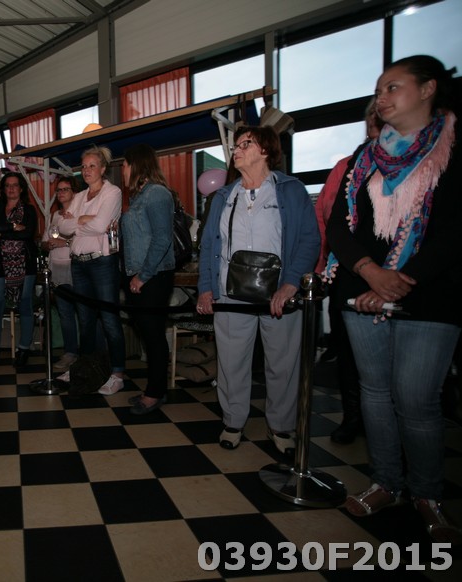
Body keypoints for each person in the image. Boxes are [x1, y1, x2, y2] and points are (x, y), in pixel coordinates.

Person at [326, 55, 461, 543]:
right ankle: (386, 482)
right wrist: (369, 273)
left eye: (392, 87)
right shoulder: (364, 159)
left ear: (427, 89)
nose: (381, 98)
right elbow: (340, 226)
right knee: (376, 394)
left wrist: (401, 279)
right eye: (379, 90)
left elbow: (453, 229)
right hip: (361, 291)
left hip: (428, 293)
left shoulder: (453, 150)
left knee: (417, 400)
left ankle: (427, 493)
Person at [196, 125, 319, 453]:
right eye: (236, 145)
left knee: (283, 363)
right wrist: (206, 288)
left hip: (279, 293)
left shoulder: (291, 191)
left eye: (245, 144)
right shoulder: (224, 196)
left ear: (265, 151)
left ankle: (281, 426)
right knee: (231, 361)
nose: (236, 150)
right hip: (230, 292)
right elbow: (208, 245)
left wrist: (291, 283)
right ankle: (233, 420)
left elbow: (309, 239)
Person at [315, 101, 383, 444]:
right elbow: (326, 219)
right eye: (370, 115)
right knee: (348, 355)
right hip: (348, 272)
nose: (374, 120)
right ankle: (353, 417)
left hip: (401, 275)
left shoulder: (427, 159)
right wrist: (320, 268)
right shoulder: (348, 166)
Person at [56, 145, 126, 395]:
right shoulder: (78, 197)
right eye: (83, 166)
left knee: (109, 319)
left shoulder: (112, 192)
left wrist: (77, 223)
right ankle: (82, 368)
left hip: (102, 262)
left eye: (92, 166)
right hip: (79, 262)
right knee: (85, 320)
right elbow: (62, 227)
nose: (86, 170)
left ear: (103, 169)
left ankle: (117, 373)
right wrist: (84, 220)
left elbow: (100, 225)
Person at [120, 144, 177, 414]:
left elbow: (162, 239)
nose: (122, 170)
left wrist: (142, 276)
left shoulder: (156, 194)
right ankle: (154, 389)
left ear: (136, 165)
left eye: (124, 164)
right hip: (140, 275)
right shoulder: (140, 196)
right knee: (149, 334)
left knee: (153, 336)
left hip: (153, 276)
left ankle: (155, 393)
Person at [0, 173, 39, 366]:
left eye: (15, 185)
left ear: (21, 188)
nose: (11, 188)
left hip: (25, 265)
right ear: (3, 189)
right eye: (7, 185)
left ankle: (24, 349)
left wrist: (2, 230)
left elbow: (27, 233)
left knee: (25, 307)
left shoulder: (29, 210)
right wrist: (13, 226)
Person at [41, 176, 79, 373]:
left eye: (66, 189)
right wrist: (48, 244)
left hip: (76, 268)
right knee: (65, 314)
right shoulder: (54, 215)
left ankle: (89, 353)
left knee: (84, 313)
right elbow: (44, 242)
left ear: (74, 192)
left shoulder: (80, 214)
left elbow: (87, 239)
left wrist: (64, 243)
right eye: (59, 190)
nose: (61, 193)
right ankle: (70, 352)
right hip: (57, 269)